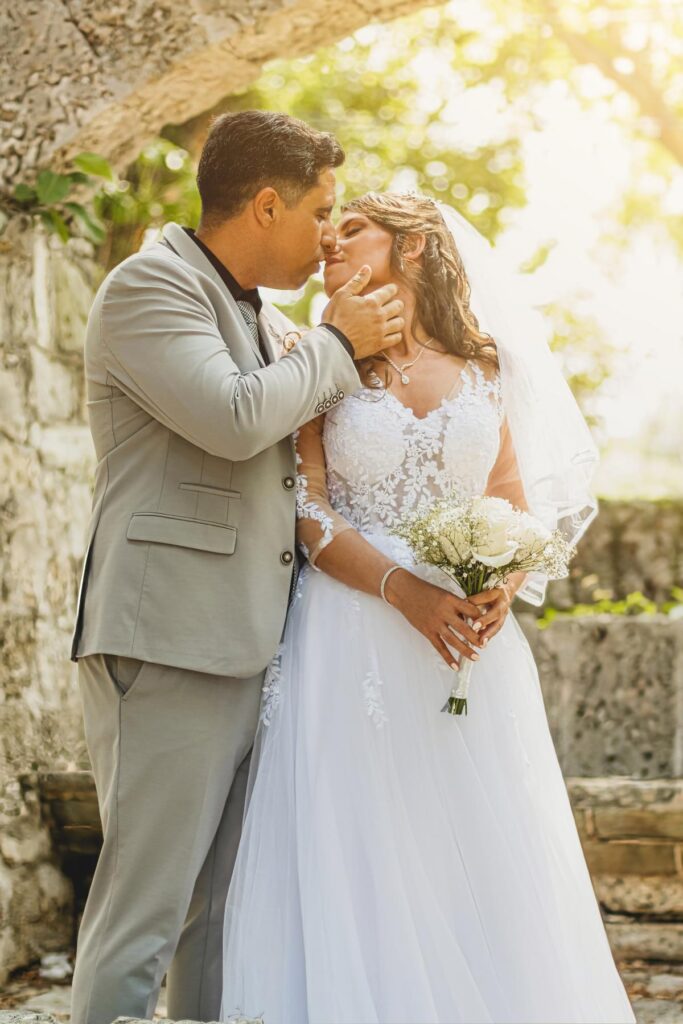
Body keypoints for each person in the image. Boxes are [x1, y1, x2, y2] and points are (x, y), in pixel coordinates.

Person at [221, 191, 636, 1023]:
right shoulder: (316, 356)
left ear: (411, 249)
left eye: (354, 231)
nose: (331, 243)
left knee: (477, 848)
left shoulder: (487, 365)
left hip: (470, 649)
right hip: (352, 632)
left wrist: (500, 584)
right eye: (328, 232)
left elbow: (512, 497)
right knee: (365, 847)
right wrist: (404, 590)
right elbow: (309, 511)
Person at [68, 111, 405, 1024]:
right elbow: (231, 416)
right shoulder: (149, 288)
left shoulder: (266, 317)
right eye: (321, 211)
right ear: (265, 205)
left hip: (245, 643)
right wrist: (337, 346)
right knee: (146, 916)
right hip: (169, 640)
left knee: (215, 917)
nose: (330, 233)